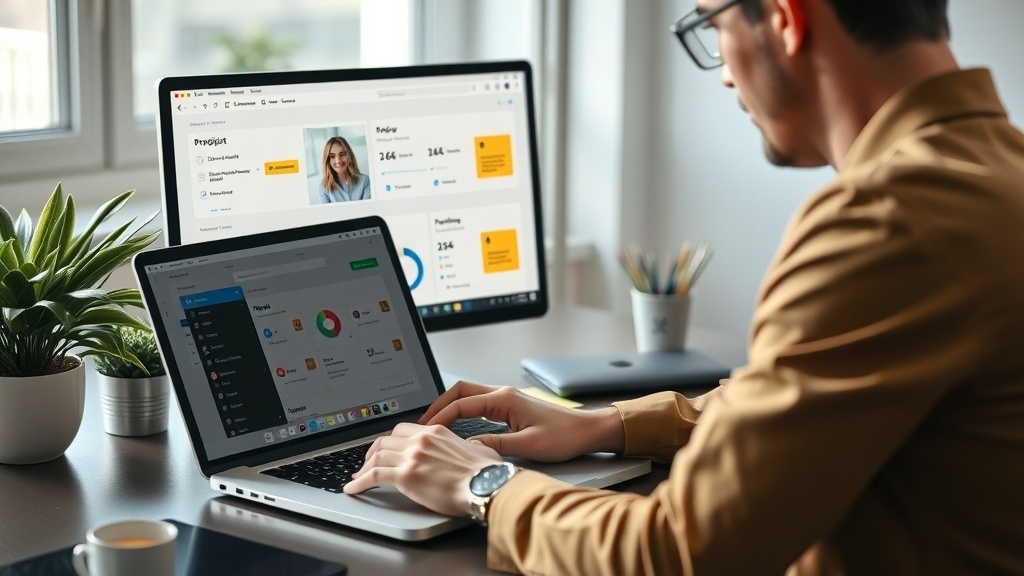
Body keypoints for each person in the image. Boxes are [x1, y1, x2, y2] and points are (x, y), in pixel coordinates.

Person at [345, 0, 1024, 573]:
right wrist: (604, 426)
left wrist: (480, 482)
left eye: (711, 25)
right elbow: (816, 400)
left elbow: (678, 551)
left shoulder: (887, 220)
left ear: (787, 20)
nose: (725, 76)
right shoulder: (996, 175)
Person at [318, 136, 371, 203]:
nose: (338, 160)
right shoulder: (323, 186)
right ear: (328, 160)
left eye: (342, 154)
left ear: (349, 156)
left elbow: (367, 211)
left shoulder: (365, 181)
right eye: (332, 156)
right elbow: (326, 213)